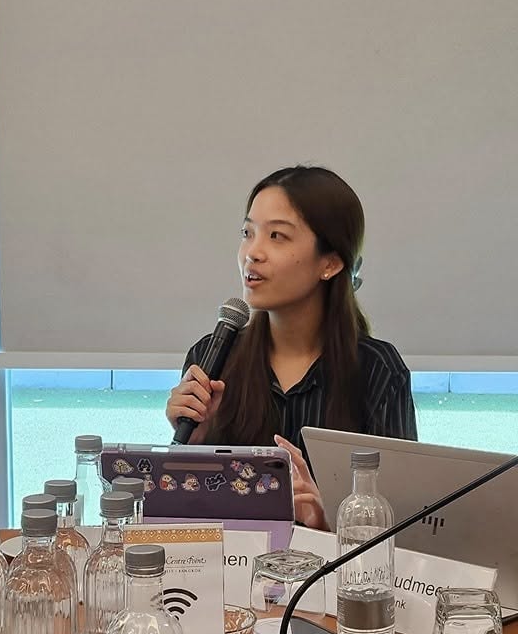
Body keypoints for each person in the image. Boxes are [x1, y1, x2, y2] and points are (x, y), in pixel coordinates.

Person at [165, 165, 415, 527]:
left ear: (330, 263)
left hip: (336, 563)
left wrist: (325, 523)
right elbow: (185, 512)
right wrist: (194, 442)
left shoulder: (377, 369)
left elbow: (402, 523)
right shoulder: (212, 357)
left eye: (276, 236)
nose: (252, 253)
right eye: (248, 233)